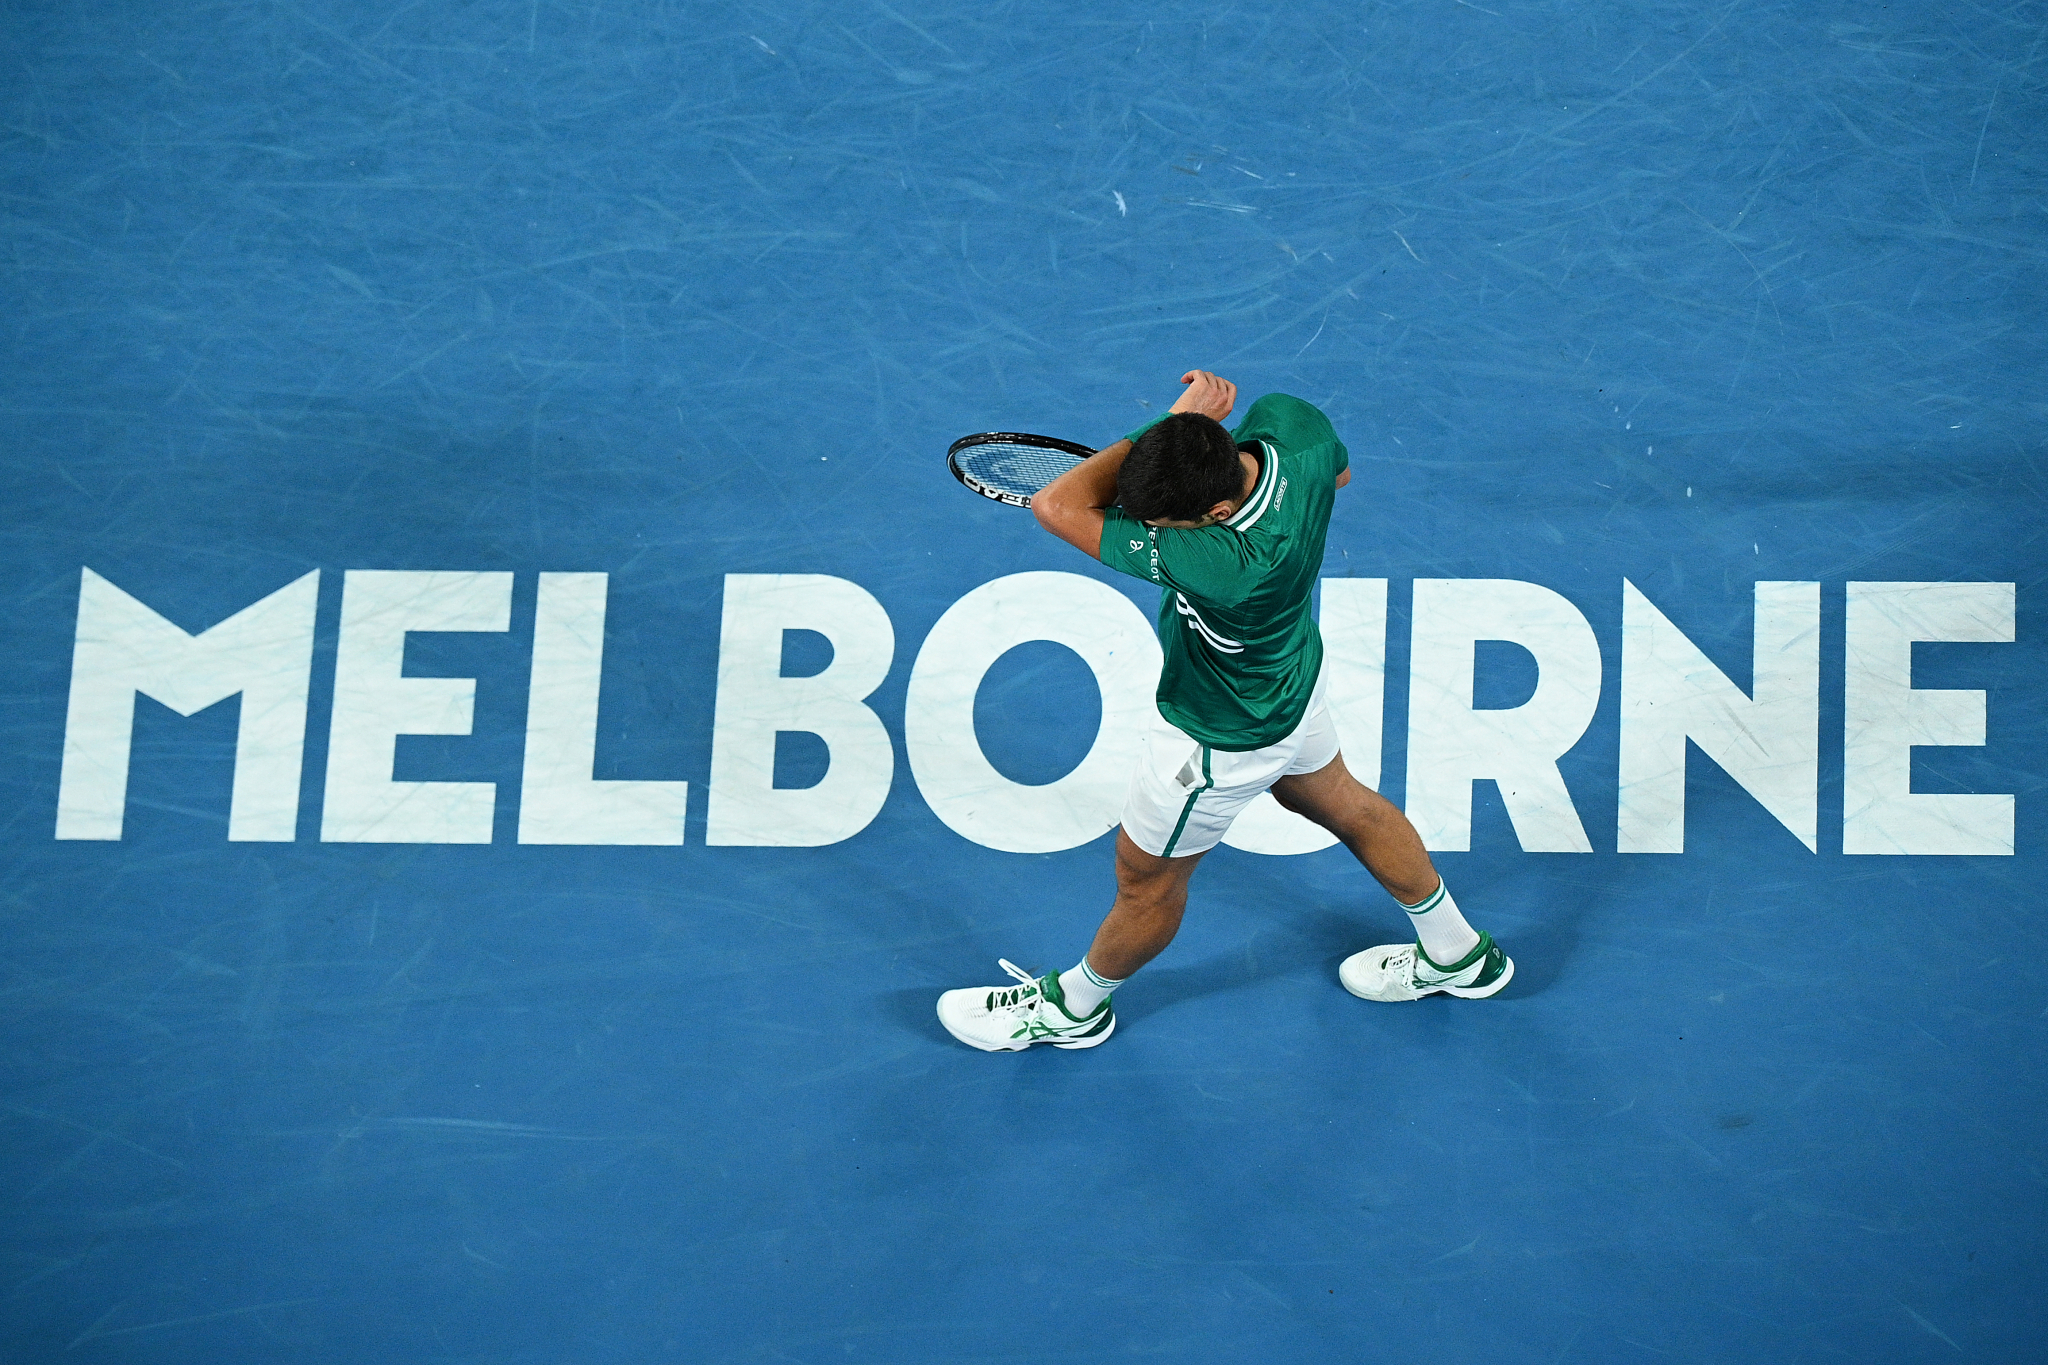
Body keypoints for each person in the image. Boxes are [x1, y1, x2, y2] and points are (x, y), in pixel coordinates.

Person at [936, 369, 1513, 1052]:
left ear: (1212, 516)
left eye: (1163, 523)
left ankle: (1075, 1009)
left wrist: (1171, 414)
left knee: (1144, 883)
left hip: (1217, 739)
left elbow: (1058, 507)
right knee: (1344, 803)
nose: (1150, 528)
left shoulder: (1222, 563)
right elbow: (1341, 477)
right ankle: (1459, 952)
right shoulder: (1293, 428)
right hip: (1292, 683)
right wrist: (1180, 436)